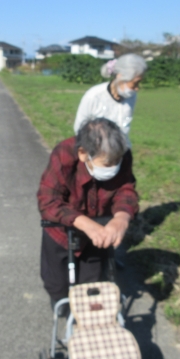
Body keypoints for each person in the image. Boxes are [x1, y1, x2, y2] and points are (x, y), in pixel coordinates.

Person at [37, 118, 139, 311]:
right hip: (61, 230)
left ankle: (87, 316)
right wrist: (84, 223)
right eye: (107, 163)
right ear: (83, 154)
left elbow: (126, 188)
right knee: (56, 282)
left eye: (116, 162)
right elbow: (48, 199)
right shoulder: (64, 154)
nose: (113, 167)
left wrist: (121, 217)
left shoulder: (121, 153)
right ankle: (61, 303)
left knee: (92, 281)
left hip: (98, 230)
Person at [73, 54, 147, 147]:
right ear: (120, 77)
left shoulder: (131, 96)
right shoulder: (94, 96)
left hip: (122, 150)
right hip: (97, 151)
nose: (137, 88)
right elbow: (79, 129)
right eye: (135, 83)